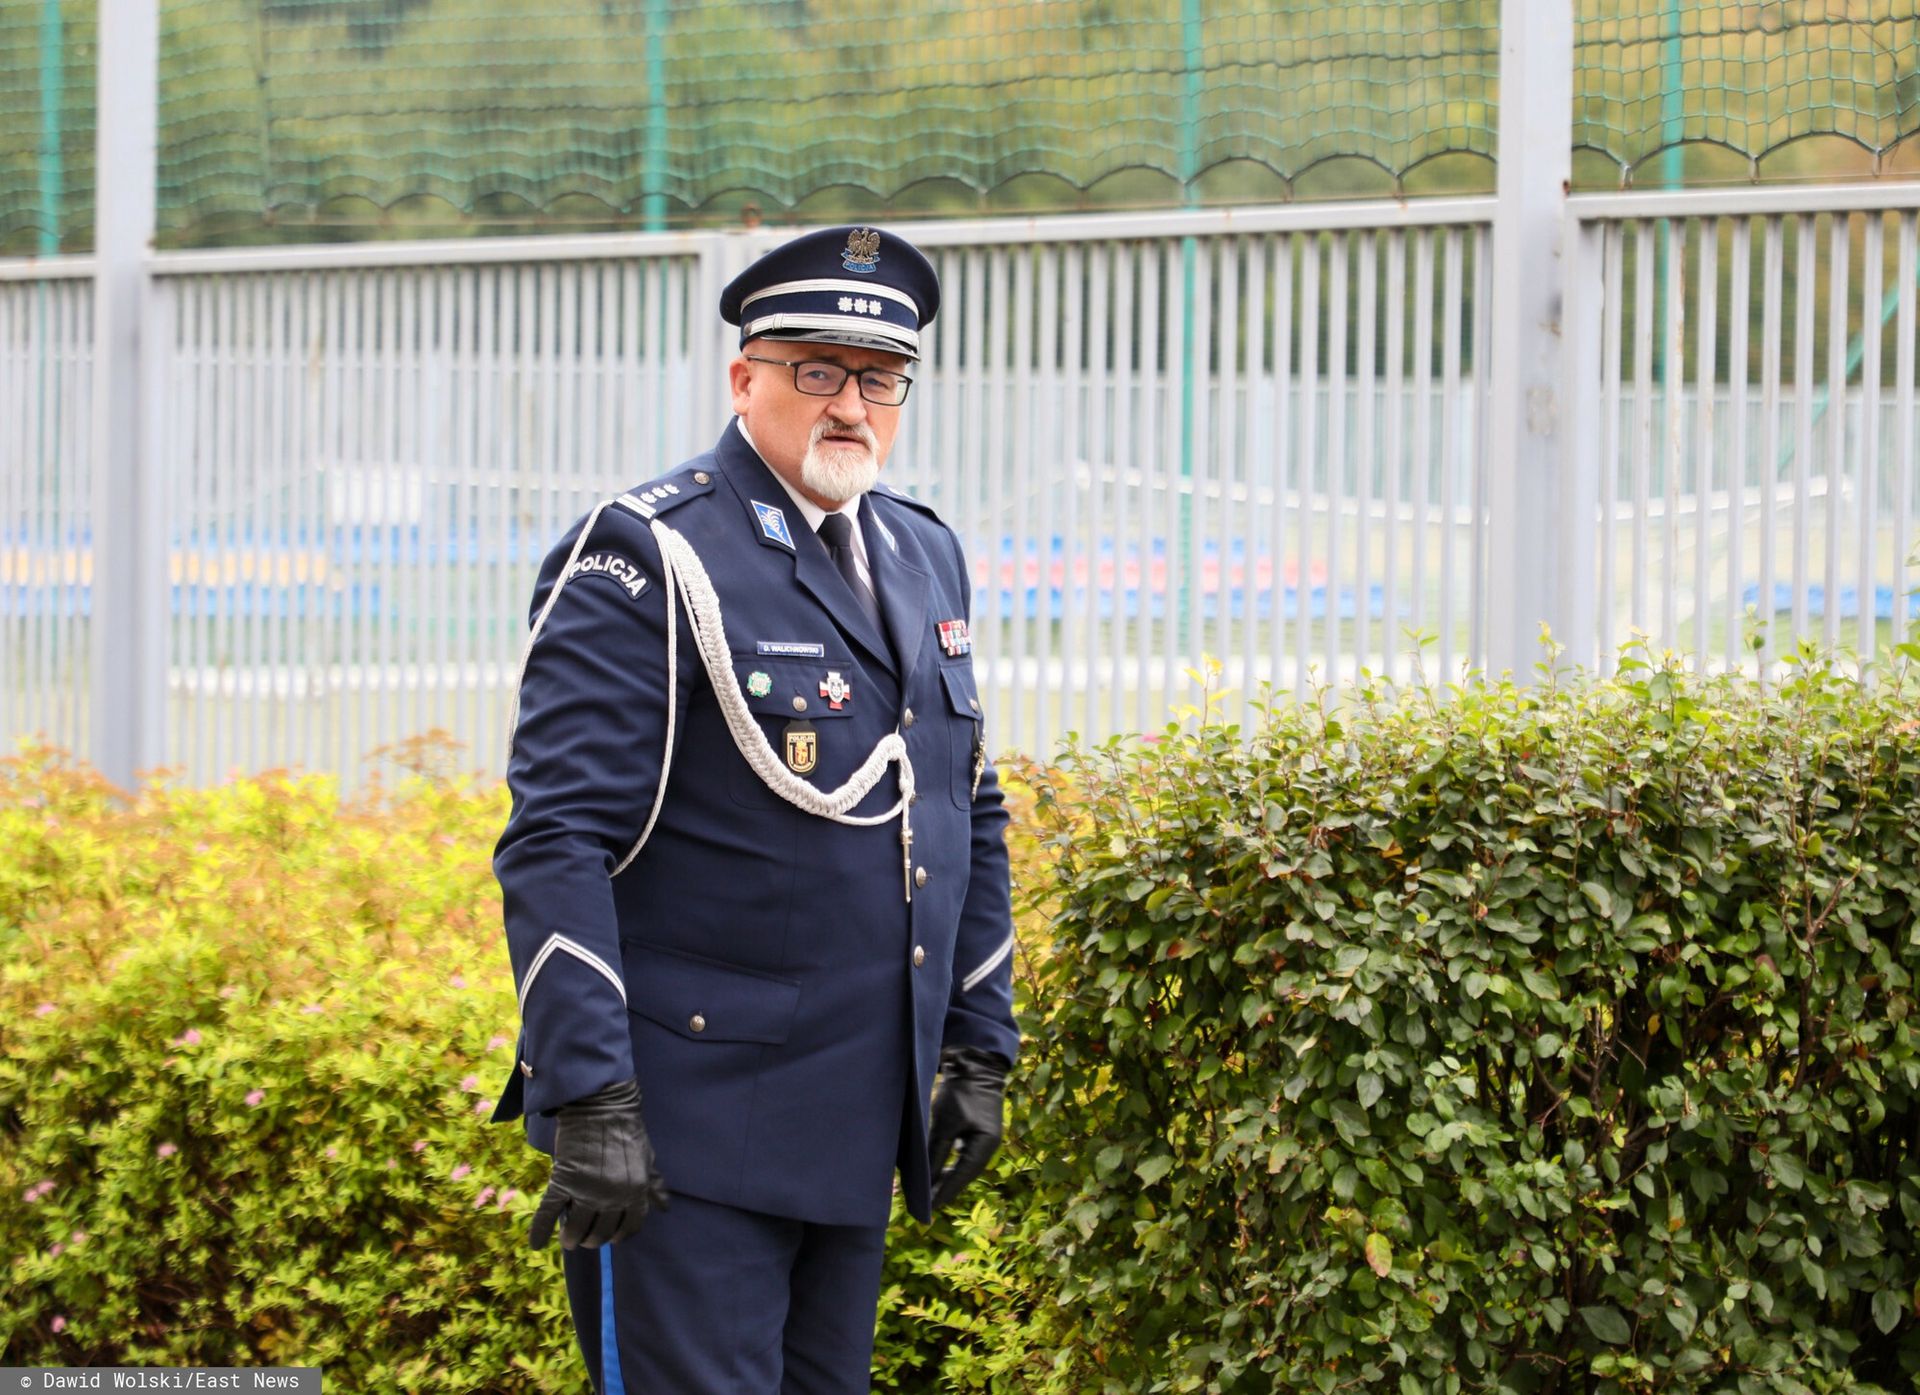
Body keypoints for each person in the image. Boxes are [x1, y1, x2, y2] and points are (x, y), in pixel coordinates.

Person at [490, 224, 1019, 1395]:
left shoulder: (923, 553)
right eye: (817, 371)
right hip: (685, 1142)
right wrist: (591, 1093)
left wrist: (981, 1043)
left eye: (879, 380)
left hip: (852, 1130)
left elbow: (963, 805)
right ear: (746, 379)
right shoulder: (647, 552)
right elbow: (557, 836)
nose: (851, 408)